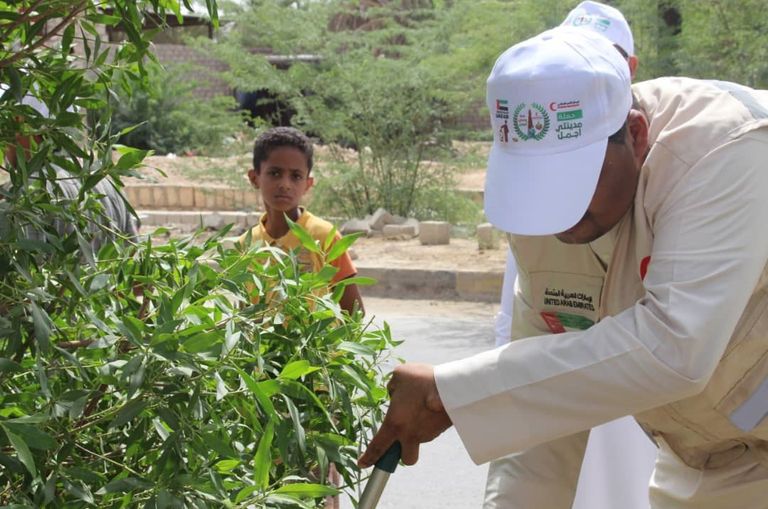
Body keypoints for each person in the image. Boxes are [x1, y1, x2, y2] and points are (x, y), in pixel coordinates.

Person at [360, 26, 768, 509]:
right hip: (706, 458)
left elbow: (674, 350)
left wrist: (453, 392)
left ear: (635, 135)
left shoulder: (723, 150)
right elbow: (540, 406)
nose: (557, 215)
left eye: (572, 182)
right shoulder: (544, 217)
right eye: (538, 185)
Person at [489, 3, 656, 508]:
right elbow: (535, 368)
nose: (562, 217)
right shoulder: (528, 193)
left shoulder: (694, 181)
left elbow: (681, 353)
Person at [238, 126, 364, 315]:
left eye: (296, 176)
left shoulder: (323, 237)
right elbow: (244, 314)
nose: (285, 185)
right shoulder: (246, 244)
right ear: (254, 178)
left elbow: (354, 313)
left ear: (307, 184)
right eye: (275, 173)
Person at [2, 91, 138, 250]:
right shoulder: (104, 180)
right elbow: (132, 251)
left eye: (5, 124)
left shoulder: (29, 194)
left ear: (23, 123)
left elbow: (26, 267)